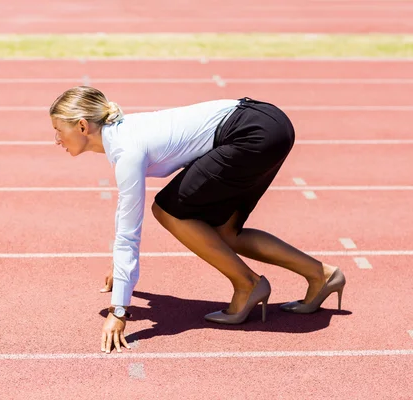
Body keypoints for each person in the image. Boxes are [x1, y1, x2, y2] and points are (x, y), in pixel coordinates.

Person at [49, 86, 346, 354]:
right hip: (269, 124)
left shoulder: (126, 150)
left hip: (251, 133)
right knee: (224, 232)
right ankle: (321, 275)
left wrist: (119, 310)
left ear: (82, 126)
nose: (56, 140)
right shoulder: (125, 132)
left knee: (166, 210)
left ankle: (247, 284)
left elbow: (129, 230)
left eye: (57, 130)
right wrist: (120, 268)